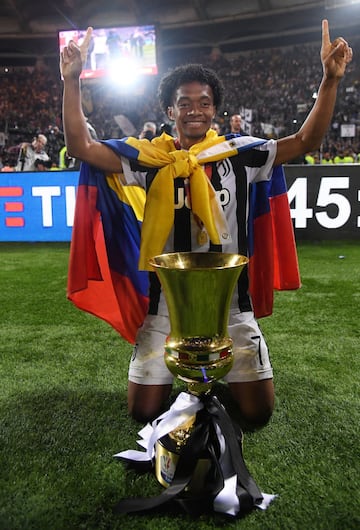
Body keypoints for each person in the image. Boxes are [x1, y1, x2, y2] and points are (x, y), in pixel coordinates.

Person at [60, 20, 352, 426]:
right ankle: (194, 378)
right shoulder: (150, 159)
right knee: (142, 412)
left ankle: (210, 380)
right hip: (165, 307)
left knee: (258, 413)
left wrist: (330, 81)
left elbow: (305, 141)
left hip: (232, 306)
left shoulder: (240, 154)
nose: (194, 109)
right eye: (184, 102)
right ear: (170, 110)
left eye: (203, 101)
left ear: (215, 109)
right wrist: (72, 80)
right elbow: (82, 146)